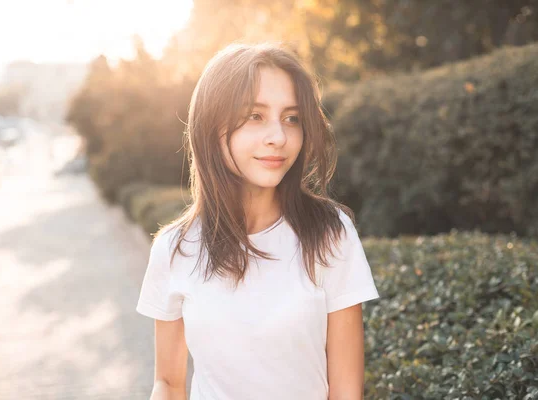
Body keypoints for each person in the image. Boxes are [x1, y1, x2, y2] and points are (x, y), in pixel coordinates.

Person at [136, 42, 380, 400]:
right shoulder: (175, 248)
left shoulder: (331, 233)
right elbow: (169, 384)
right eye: (255, 116)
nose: (279, 137)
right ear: (211, 127)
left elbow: (346, 390)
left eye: (291, 118)